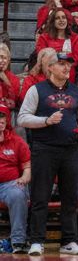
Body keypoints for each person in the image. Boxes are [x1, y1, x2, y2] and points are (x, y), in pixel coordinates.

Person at [16, 53, 78, 256]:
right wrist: (46, 121)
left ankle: (69, 240)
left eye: (68, 65)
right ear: (49, 68)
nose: (66, 68)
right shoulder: (37, 89)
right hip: (44, 149)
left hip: (71, 150)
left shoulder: (77, 91)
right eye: (61, 64)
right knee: (40, 196)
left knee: (71, 198)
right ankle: (37, 241)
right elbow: (22, 118)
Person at [0, 105, 33, 252]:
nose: (0, 121)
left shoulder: (17, 141)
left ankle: (18, 242)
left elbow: (27, 167)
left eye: (2, 118)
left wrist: (25, 177)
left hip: (10, 185)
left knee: (18, 194)